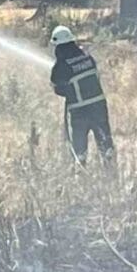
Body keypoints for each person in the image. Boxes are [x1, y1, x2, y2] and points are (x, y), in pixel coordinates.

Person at [49, 25, 115, 168]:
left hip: (79, 112)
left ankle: (80, 178)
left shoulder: (62, 65)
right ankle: (111, 176)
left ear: (59, 47)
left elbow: (57, 87)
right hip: (99, 107)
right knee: (106, 146)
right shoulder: (87, 57)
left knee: (79, 152)